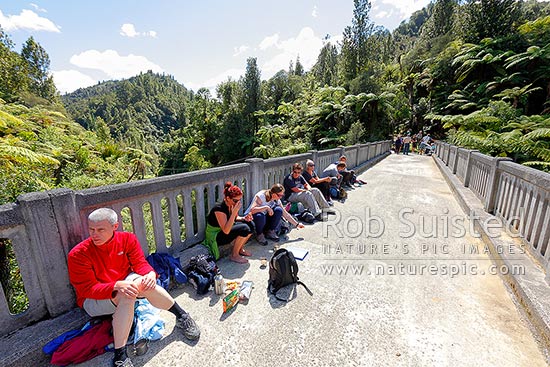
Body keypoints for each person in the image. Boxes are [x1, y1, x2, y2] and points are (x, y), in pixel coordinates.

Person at [68, 208, 200, 367]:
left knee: (144, 284)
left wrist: (150, 274)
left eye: (100, 229)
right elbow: (87, 289)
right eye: (91, 229)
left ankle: (182, 316)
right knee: (127, 294)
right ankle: (120, 357)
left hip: (125, 283)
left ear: (114, 226)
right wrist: (116, 285)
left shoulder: (127, 239)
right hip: (93, 299)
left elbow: (140, 264)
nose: (94, 234)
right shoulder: (78, 254)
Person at [205, 182, 254, 264]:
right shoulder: (219, 209)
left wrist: (244, 218)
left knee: (251, 224)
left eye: (239, 200)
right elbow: (226, 230)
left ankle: (240, 249)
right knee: (244, 229)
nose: (237, 203)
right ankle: (234, 255)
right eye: (235, 200)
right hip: (216, 236)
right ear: (228, 198)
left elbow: (235, 218)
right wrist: (234, 212)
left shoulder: (231, 204)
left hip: (225, 230)